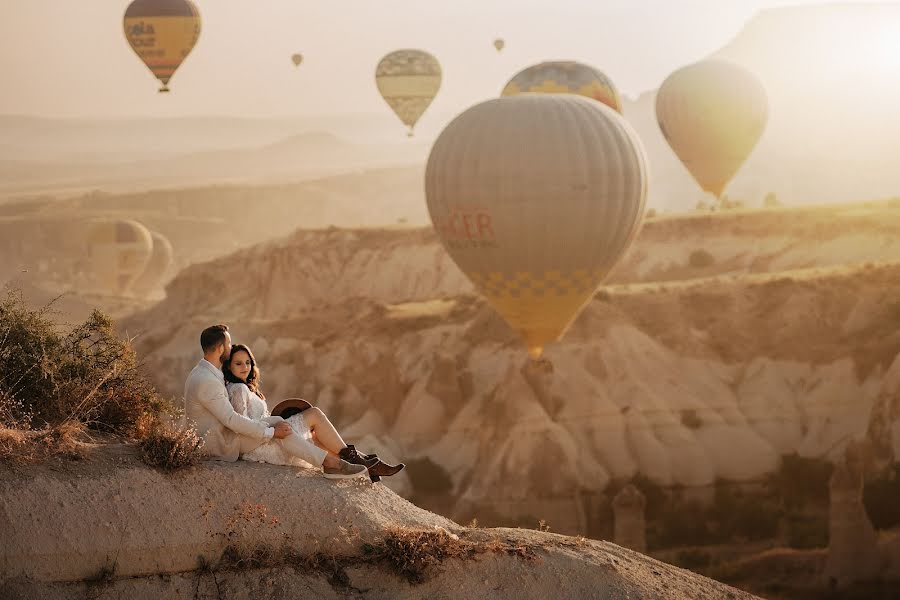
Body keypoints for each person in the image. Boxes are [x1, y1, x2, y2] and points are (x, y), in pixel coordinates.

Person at [183, 324, 367, 479]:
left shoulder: (204, 372)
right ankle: (329, 462)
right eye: (229, 344)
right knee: (278, 428)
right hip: (222, 444)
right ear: (221, 348)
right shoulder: (207, 381)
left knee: (279, 423)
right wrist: (271, 433)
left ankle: (331, 461)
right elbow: (232, 420)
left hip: (227, 434)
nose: (230, 348)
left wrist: (272, 428)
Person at [223, 343, 404, 481]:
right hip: (262, 445)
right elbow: (243, 425)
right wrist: (273, 428)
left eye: (248, 362)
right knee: (314, 415)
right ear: (229, 367)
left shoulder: (246, 388)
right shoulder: (238, 389)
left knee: (316, 433)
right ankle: (359, 462)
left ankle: (363, 462)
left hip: (269, 436)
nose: (244, 367)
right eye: (238, 363)